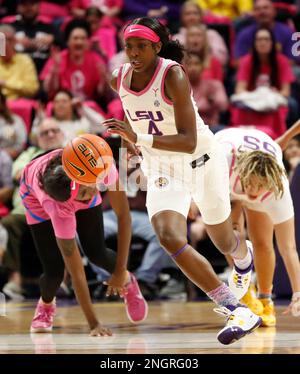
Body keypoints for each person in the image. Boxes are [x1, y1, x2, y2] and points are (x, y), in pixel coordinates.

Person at [103, 17, 261, 345]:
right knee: (169, 236)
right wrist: (125, 162)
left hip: (201, 161)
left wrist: (138, 138)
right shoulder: (118, 78)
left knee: (222, 241)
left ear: (157, 47)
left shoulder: (172, 74)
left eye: (141, 46)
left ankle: (242, 256)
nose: (133, 52)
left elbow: (188, 139)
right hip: (162, 169)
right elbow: (131, 132)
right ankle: (236, 308)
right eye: (128, 46)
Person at [19, 146, 148, 336]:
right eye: (82, 197)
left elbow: (123, 217)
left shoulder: (101, 166)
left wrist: (120, 272)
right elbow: (76, 271)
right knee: (54, 273)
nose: (87, 199)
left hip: (70, 176)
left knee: (97, 253)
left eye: (86, 192)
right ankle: (46, 305)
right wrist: (94, 324)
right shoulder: (56, 206)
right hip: (35, 198)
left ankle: (129, 281)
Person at [215, 123, 300, 326]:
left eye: (259, 186)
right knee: (229, 234)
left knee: (262, 242)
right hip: (228, 167)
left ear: (270, 183)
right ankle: (245, 289)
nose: (252, 191)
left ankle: (265, 298)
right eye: (250, 184)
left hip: (265, 146)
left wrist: (297, 293)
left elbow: (288, 249)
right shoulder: (221, 161)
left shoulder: (278, 192)